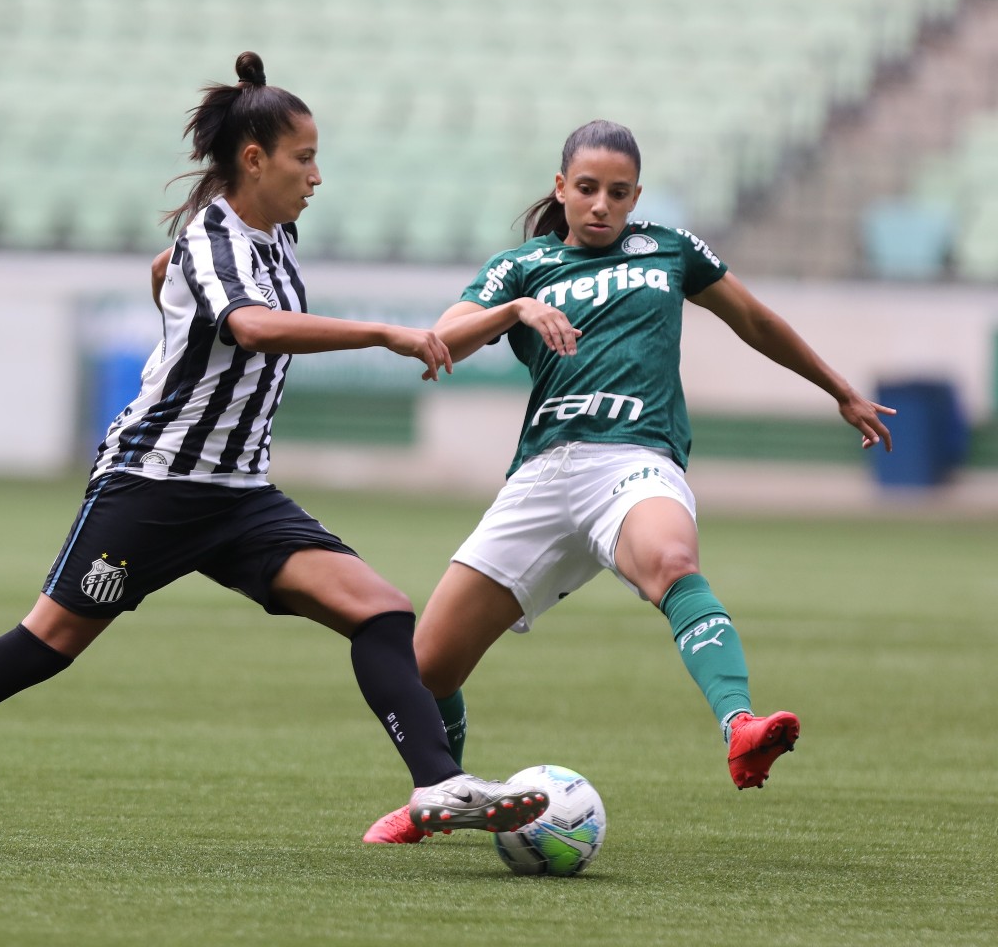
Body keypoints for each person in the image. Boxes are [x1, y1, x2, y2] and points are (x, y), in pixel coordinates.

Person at [0, 52, 549, 853]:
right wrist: (381, 331)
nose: (316, 176)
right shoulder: (213, 235)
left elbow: (166, 272)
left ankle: (437, 784)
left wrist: (174, 307)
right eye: (304, 158)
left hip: (240, 495)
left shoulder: (273, 233)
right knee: (46, 644)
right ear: (254, 160)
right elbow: (252, 326)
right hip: (153, 485)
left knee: (380, 610)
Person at [363, 119, 896, 844]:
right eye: (587, 188)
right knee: (427, 671)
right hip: (544, 475)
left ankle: (740, 726)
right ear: (561, 188)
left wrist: (839, 389)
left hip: (634, 460)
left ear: (636, 196)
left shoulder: (669, 250)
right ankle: (442, 793)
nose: (601, 205)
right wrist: (516, 309)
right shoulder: (523, 266)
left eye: (618, 192)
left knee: (672, 562)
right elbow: (437, 341)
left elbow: (755, 320)